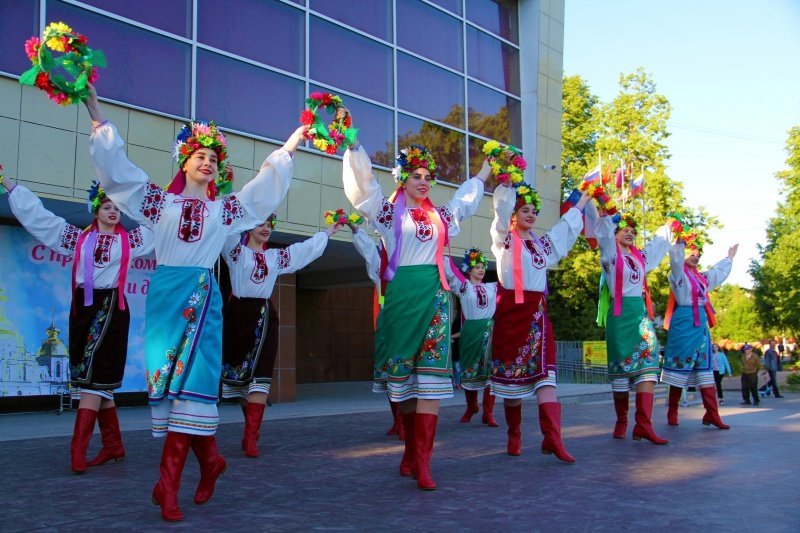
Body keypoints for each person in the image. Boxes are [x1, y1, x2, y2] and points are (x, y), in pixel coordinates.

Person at [85, 86, 304, 521]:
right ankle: (211, 462)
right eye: (200, 155)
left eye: (215, 158)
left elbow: (263, 189)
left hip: (203, 300)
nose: (208, 162)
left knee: (191, 391)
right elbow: (119, 172)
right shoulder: (158, 202)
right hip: (165, 300)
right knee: (172, 391)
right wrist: (92, 105)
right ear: (183, 160)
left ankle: (167, 487)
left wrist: (294, 142)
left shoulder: (225, 211)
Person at [343, 136, 490, 490]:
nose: (423, 181)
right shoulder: (388, 211)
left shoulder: (441, 216)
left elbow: (465, 202)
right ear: (402, 180)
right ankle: (410, 449)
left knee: (431, 380)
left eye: (427, 176)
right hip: (402, 298)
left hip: (436, 297)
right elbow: (365, 188)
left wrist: (486, 171)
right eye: (415, 176)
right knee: (406, 383)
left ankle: (423, 462)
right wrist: (353, 144)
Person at [2, 175, 153, 473]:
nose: (112, 211)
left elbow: (157, 227)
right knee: (94, 381)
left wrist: (133, 198)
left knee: (92, 383)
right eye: (106, 206)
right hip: (82, 309)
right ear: (94, 210)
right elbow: (41, 220)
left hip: (111, 309)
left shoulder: (130, 240)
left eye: (116, 208)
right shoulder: (78, 239)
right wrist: (9, 186)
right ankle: (113, 445)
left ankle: (78, 450)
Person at [221, 214, 341, 457]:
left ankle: (251, 437)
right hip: (237, 317)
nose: (266, 229)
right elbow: (228, 226)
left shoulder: (274, 257)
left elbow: (303, 251)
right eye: (260, 224)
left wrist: (327, 232)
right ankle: (251, 430)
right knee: (242, 379)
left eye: (269, 225)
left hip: (264, 317)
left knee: (261, 376)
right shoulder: (235, 252)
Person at [490, 182, 590, 462]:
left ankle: (552, 438)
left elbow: (562, 231)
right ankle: (515, 432)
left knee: (547, 377)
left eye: (534, 211)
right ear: (513, 214)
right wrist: (507, 185)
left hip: (536, 317)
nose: (531, 215)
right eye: (525, 210)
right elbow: (499, 214)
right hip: (511, 317)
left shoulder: (541, 246)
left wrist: (581, 202)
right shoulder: (503, 241)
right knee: (512, 388)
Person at [596, 211, 672, 444]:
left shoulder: (640, 258)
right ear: (615, 233)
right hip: (619, 317)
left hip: (639, 315)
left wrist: (669, 226)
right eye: (624, 230)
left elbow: (658, 245)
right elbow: (603, 236)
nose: (629, 233)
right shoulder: (611, 255)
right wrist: (607, 218)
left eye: (633, 231)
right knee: (621, 374)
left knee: (649, 365)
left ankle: (644, 425)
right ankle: (622, 420)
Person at [661, 237, 737, 430]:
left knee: (705, 369)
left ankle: (712, 414)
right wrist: (679, 245)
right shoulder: (677, 275)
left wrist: (728, 259)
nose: (696, 257)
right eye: (691, 253)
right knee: (680, 368)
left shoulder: (701, 278)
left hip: (700, 324)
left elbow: (716, 274)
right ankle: (673, 411)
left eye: (698, 254)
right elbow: (676, 261)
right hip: (684, 323)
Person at [348, 219, 404, 439]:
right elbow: (367, 248)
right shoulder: (379, 261)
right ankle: (397, 420)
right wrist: (355, 229)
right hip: (386, 320)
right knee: (389, 373)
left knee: (405, 371)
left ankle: (406, 420)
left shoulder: (409, 257)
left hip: (406, 318)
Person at [444, 248, 499, 428]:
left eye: (483, 266)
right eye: (477, 267)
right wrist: (442, 250)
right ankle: (471, 407)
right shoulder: (463, 286)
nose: (481, 270)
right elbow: (450, 271)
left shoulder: (492, 287)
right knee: (469, 369)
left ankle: (488, 412)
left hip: (488, 331)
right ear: (469, 270)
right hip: (470, 331)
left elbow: (511, 280)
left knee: (490, 371)